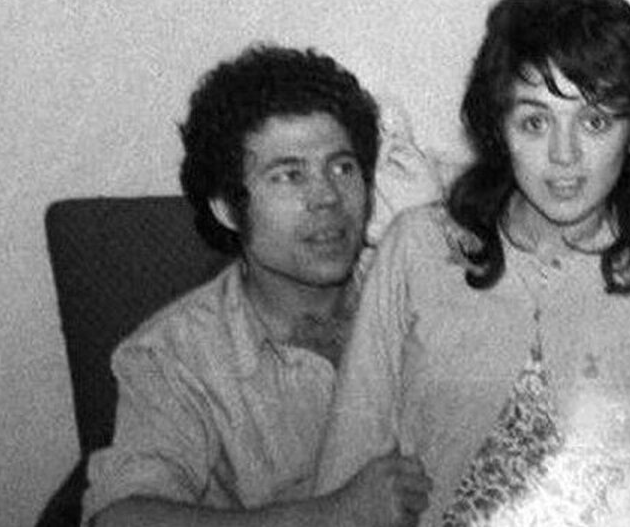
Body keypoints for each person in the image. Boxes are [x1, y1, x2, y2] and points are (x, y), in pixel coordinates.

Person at [315, 0, 630, 526]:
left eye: (595, 121)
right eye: (534, 122)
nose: (564, 155)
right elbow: (344, 477)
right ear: (499, 131)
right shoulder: (415, 249)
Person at [83, 44, 433, 527]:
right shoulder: (175, 356)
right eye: (289, 176)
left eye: (342, 167)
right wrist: (333, 516)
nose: (327, 197)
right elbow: (120, 519)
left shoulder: (419, 297)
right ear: (228, 208)